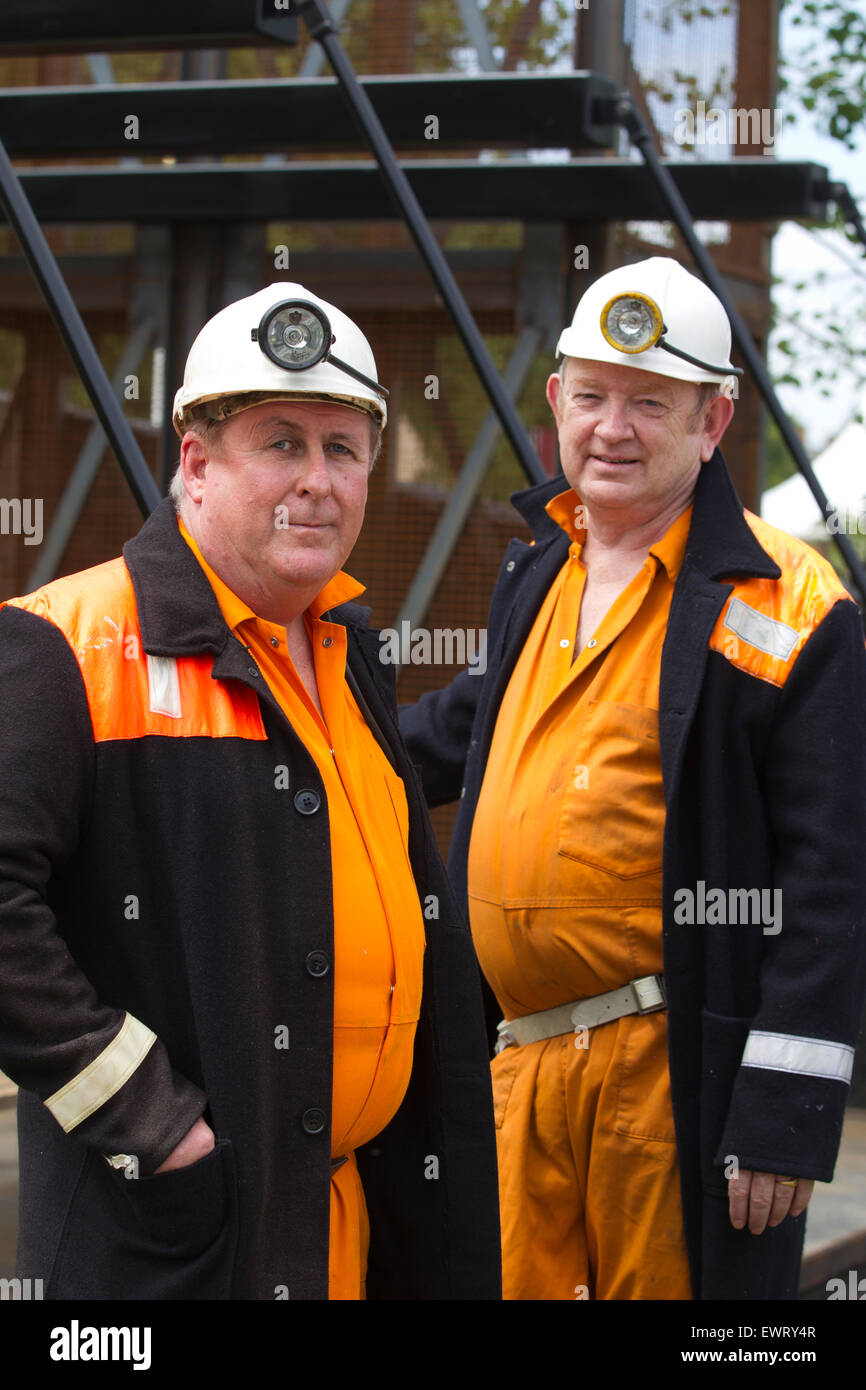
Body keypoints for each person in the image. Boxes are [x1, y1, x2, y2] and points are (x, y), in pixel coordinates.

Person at [0, 282, 500, 1301]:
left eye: (341, 448)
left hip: (348, 1221)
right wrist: (148, 1122)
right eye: (280, 443)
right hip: (179, 1241)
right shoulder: (68, 641)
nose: (316, 481)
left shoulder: (348, 648)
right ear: (196, 463)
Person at [400, 256, 866, 1300]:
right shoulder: (540, 568)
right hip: (519, 1067)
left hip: (669, 1085)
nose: (610, 428)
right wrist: (313, 737)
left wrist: (784, 1113)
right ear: (556, 401)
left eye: (648, 403)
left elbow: (831, 872)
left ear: (712, 422)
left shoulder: (786, 604)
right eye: (593, 397)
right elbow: (467, 722)